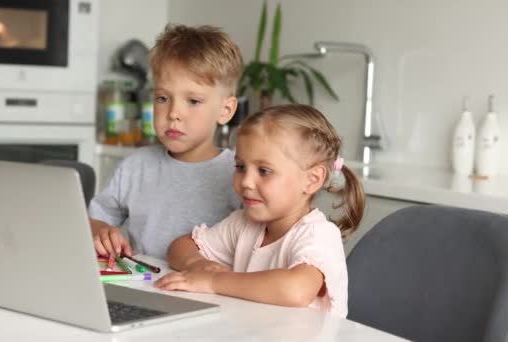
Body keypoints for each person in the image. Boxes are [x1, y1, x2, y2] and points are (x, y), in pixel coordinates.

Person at [154, 104, 365, 317]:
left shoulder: (319, 234)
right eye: (240, 167)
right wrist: (197, 264)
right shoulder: (243, 223)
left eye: (264, 171)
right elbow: (180, 246)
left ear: (312, 180)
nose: (246, 182)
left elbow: (296, 290)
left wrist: (213, 281)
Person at [89, 24, 243, 259]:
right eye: (163, 98)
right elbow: (95, 220)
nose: (173, 113)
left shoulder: (238, 174)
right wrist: (102, 231)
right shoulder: (135, 166)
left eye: (193, 101)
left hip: (204, 293)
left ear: (225, 110)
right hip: (142, 291)